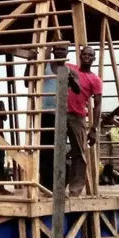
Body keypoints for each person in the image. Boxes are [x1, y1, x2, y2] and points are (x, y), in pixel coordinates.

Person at [65, 46, 102, 196]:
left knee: (79, 153)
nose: (87, 57)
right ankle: (55, 186)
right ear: (80, 56)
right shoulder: (70, 68)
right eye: (85, 54)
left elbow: (98, 105)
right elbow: (54, 64)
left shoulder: (95, 79)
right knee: (56, 151)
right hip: (60, 114)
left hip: (77, 116)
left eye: (90, 55)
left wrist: (94, 128)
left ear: (94, 59)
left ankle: (75, 189)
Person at [39, 43, 68, 192]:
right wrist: (49, 44)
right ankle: (46, 185)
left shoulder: (68, 70)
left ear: (67, 52)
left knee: (59, 150)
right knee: (45, 151)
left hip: (61, 115)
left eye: (63, 50)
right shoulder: (46, 67)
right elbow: (27, 80)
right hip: (45, 114)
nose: (60, 52)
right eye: (57, 49)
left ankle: (58, 184)